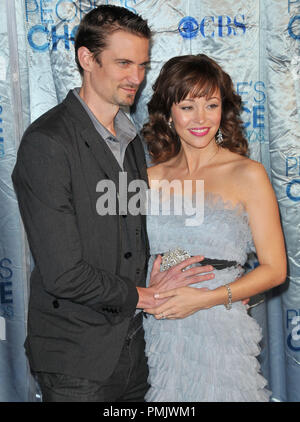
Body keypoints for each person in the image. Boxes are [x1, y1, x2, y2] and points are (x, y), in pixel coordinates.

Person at [12, 6, 213, 402]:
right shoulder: (48, 143)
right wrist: (145, 295)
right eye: (123, 63)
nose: (136, 77)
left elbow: (131, 236)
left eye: (141, 64)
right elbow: (64, 274)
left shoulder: (132, 137)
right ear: (87, 58)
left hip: (134, 350)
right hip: (76, 358)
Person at [141, 54, 287, 402]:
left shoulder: (247, 174)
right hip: (161, 327)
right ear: (168, 112)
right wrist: (167, 276)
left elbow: (275, 269)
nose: (201, 118)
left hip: (219, 326)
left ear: (224, 110)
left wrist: (203, 299)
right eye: (188, 106)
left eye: (211, 104)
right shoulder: (150, 179)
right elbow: (169, 246)